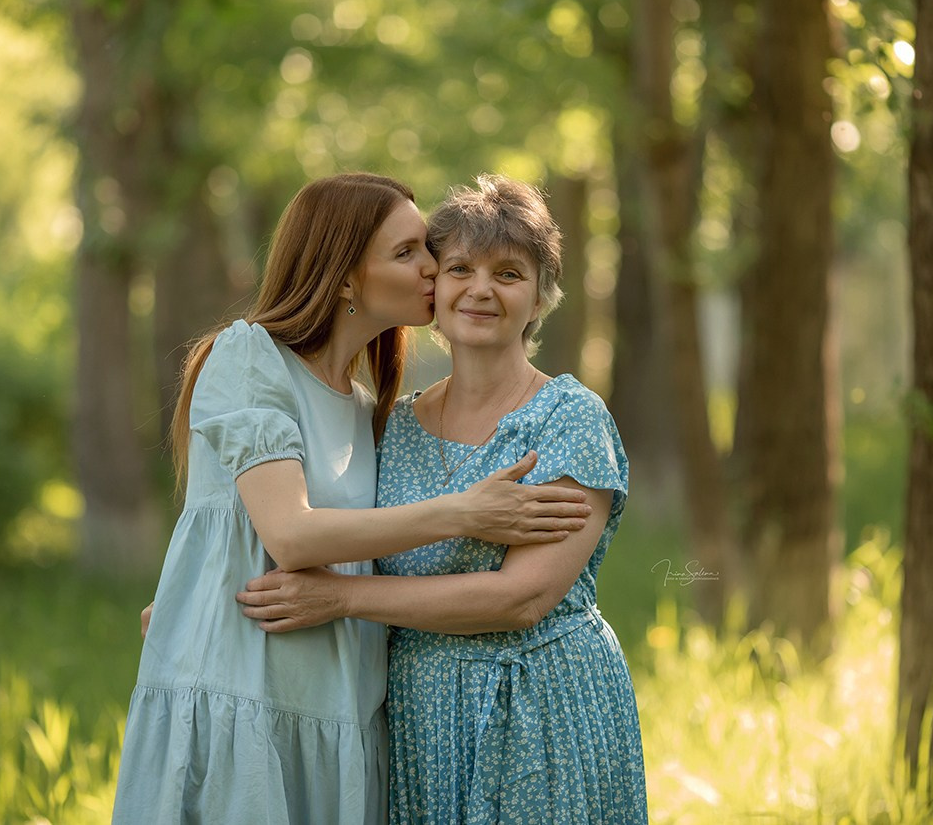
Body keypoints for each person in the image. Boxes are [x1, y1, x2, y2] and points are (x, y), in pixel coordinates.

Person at [111, 173, 594, 825]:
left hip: (342, 713)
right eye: (408, 254)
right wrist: (463, 511)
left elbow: (369, 559)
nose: (433, 269)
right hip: (248, 705)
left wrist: (194, 593)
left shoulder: (374, 415)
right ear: (342, 276)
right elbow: (290, 534)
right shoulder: (250, 357)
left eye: (427, 250)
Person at [238, 175, 649, 824]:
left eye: (509, 273)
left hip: (542, 709)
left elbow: (522, 597)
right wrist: (202, 596)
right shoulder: (390, 425)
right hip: (419, 720)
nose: (481, 289)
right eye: (460, 267)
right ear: (434, 286)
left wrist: (342, 600)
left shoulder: (568, 418)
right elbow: (313, 532)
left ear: (543, 294)